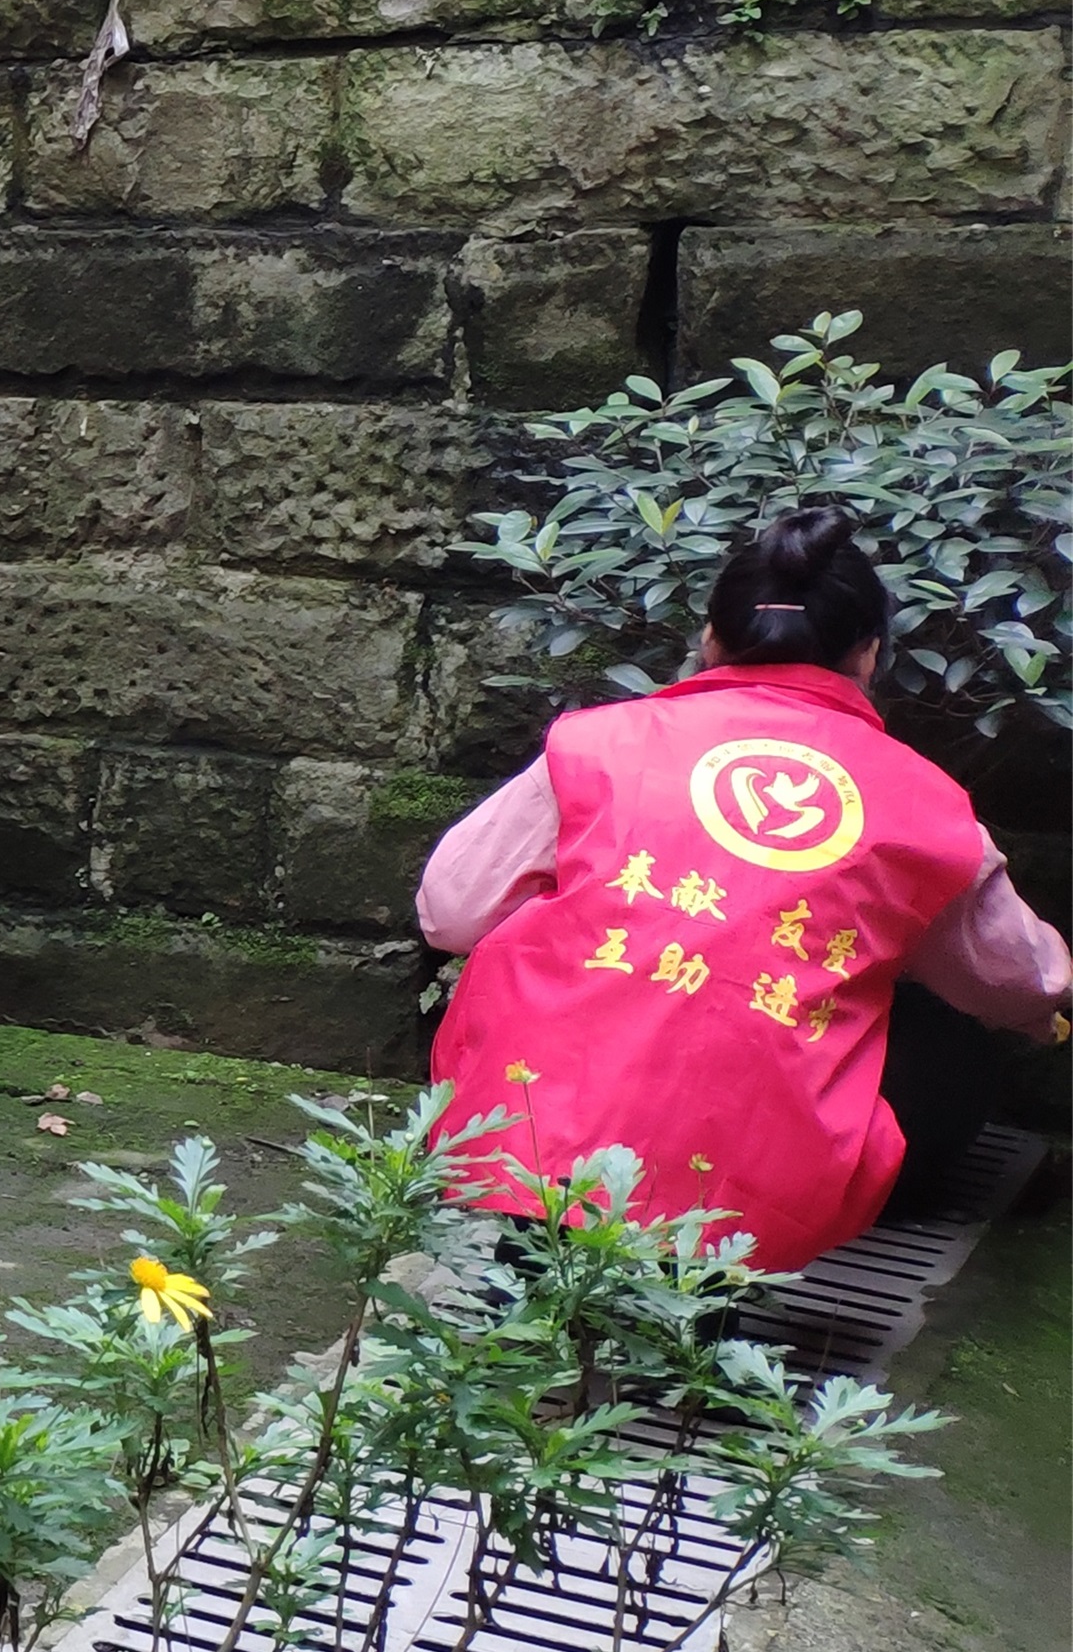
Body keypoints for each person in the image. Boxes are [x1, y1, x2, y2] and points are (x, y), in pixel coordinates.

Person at [420, 509, 1069, 1271]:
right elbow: (1028, 982)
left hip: (538, 1124)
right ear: (868, 656)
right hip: (758, 1171)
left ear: (709, 638)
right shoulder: (926, 811)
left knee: (532, 1303)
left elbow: (450, 912)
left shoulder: (595, 745)